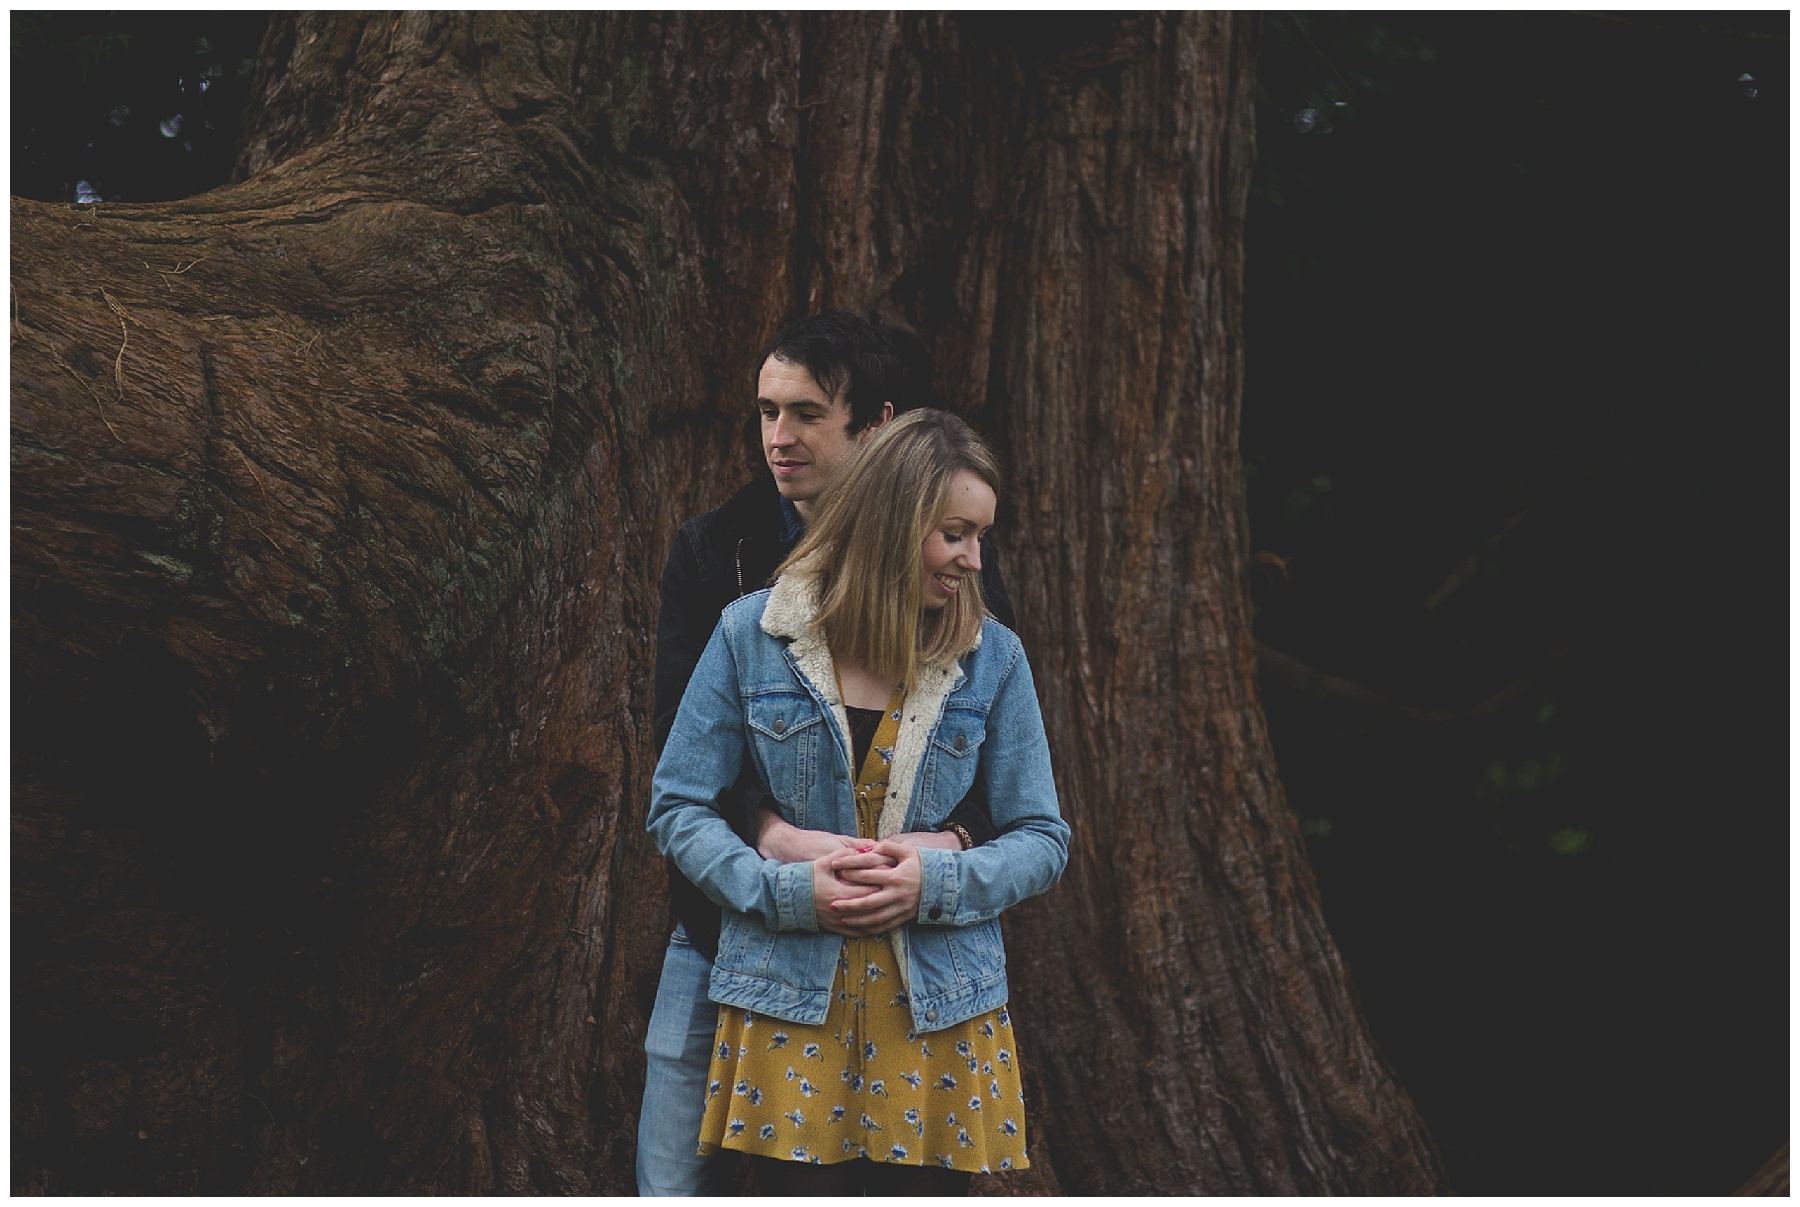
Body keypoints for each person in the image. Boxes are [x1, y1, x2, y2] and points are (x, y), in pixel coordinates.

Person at [637, 313, 1015, 1196]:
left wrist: (945, 849)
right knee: (678, 1171)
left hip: (906, 946)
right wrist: (772, 839)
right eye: (766, 411)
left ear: (877, 426)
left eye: (805, 413)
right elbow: (680, 755)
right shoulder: (719, 553)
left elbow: (998, 767)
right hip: (729, 926)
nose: (779, 436)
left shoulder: (956, 564)